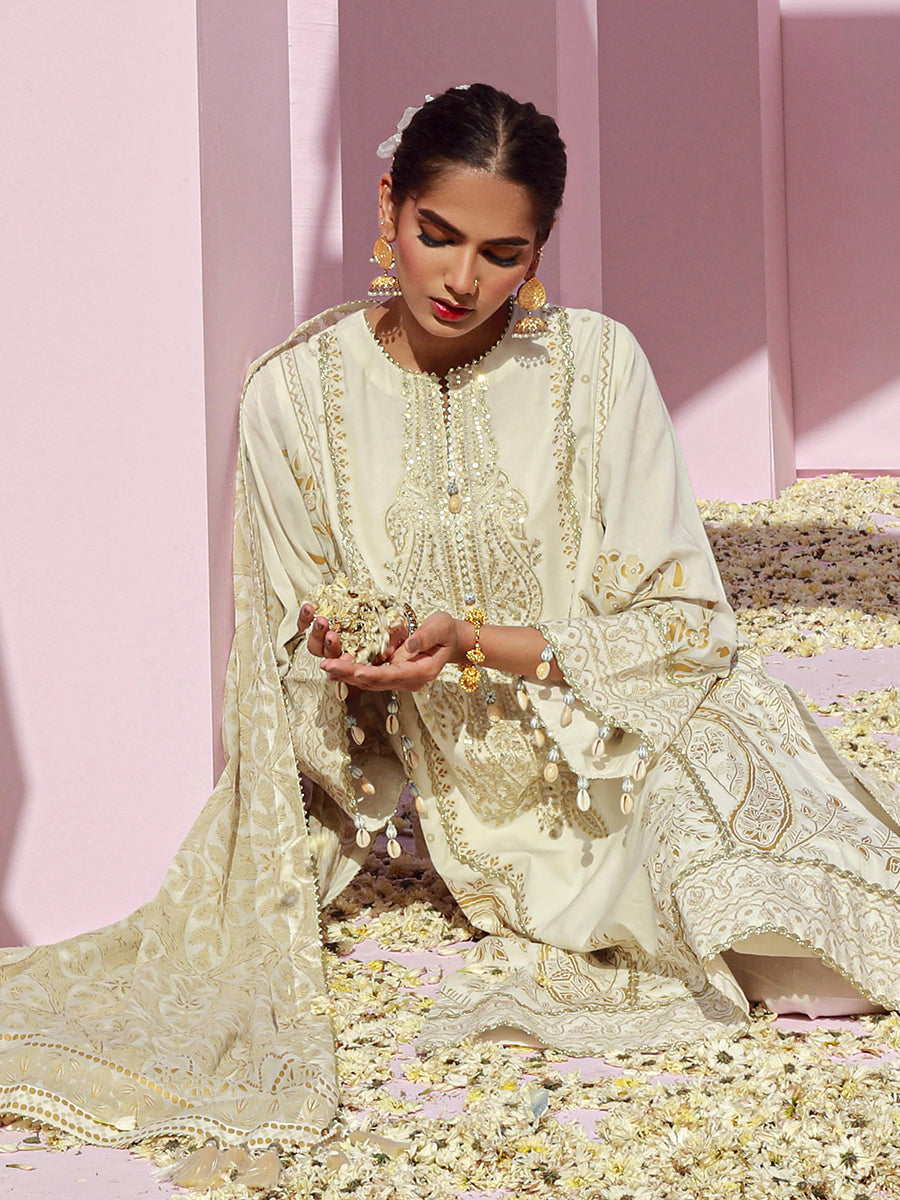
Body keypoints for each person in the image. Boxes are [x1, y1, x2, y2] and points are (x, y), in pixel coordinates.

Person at [2, 82, 899, 1156]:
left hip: (646, 738)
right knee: (747, 944)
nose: (463, 280)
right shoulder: (296, 397)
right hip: (490, 815)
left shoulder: (597, 366)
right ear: (389, 205)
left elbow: (692, 630)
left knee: (827, 947)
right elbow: (288, 658)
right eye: (436, 235)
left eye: (502, 253)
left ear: (539, 252)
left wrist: (476, 642)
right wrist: (348, 665)